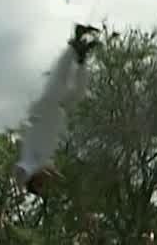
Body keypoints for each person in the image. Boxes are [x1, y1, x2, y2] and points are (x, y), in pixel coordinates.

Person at [12, 24, 102, 196]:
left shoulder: (28, 166)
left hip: (43, 113)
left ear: (32, 180)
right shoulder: (44, 164)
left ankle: (75, 42)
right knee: (78, 92)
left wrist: (22, 187)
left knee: (59, 80)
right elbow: (53, 172)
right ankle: (82, 57)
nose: (43, 181)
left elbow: (19, 173)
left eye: (39, 184)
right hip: (56, 115)